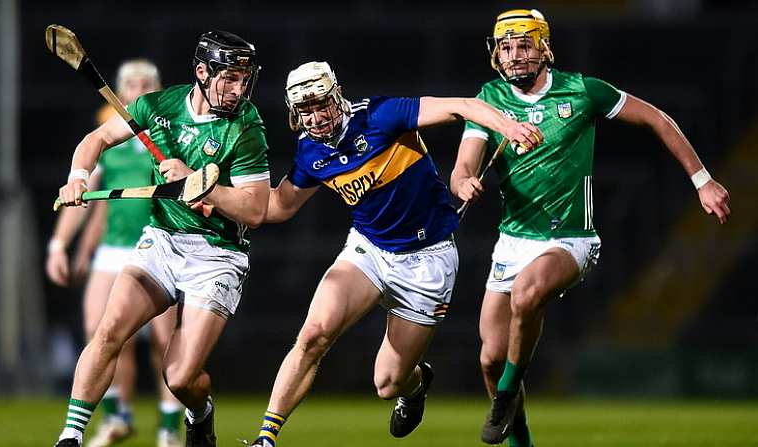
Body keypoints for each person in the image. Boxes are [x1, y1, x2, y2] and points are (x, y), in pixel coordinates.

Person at [449, 9, 731, 446]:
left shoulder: (582, 91)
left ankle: (505, 397)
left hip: (571, 239)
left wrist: (702, 180)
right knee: (489, 358)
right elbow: (464, 163)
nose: (515, 55)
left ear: (544, 48)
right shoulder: (489, 99)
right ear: (495, 54)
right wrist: (464, 180)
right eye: (506, 47)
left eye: (525, 45)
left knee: (528, 294)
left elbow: (657, 119)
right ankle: (519, 439)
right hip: (513, 240)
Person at [246, 61, 541, 447]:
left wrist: (511, 127)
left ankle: (415, 386)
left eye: (321, 104)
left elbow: (464, 106)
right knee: (314, 334)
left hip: (427, 260)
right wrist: (213, 195)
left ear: (337, 97)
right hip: (368, 251)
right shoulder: (309, 153)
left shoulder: (381, 116)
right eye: (306, 110)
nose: (316, 117)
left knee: (387, 383)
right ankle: (267, 438)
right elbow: (276, 207)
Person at [53, 30, 271, 447]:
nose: (238, 88)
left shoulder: (246, 128)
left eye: (244, 78)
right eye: (229, 77)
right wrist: (78, 177)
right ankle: (71, 435)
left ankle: (199, 411)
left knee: (181, 376)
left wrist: (198, 183)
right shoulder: (157, 106)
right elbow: (96, 139)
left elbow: (255, 210)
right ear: (202, 73)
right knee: (109, 329)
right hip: (163, 240)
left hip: (217, 254)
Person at [46, 59, 185, 447]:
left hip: (159, 246)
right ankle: (117, 416)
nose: (139, 89)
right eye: (132, 84)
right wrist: (63, 246)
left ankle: (169, 428)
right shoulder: (111, 139)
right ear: (120, 91)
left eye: (147, 83)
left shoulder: (169, 131)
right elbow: (91, 201)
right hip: (113, 248)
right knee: (100, 331)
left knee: (164, 343)